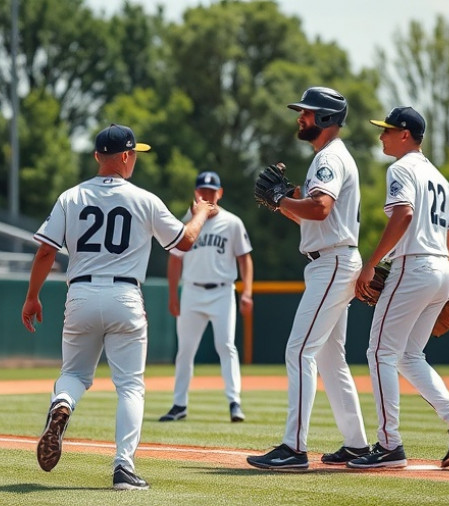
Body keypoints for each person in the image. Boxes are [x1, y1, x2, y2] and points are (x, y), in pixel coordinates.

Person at [21, 123, 214, 490]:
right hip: (125, 296)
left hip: (80, 294)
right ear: (125, 156)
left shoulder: (70, 197)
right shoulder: (145, 199)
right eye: (134, 154)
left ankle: (62, 402)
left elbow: (46, 250)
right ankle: (123, 468)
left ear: (97, 156)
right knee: (130, 386)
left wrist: (32, 296)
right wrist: (201, 213)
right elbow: (185, 242)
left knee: (74, 375)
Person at [349, 106, 449, 470]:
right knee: (409, 356)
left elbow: (404, 214)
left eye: (387, 131)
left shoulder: (401, 168)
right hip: (440, 267)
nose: (382, 136)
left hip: (415, 265)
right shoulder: (439, 177)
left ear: (405, 134)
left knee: (379, 352)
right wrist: (442, 277)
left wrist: (372, 263)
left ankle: (389, 445)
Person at [246, 87, 369, 470]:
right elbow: (313, 216)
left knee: (299, 351)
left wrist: (282, 199)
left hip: (332, 263)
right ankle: (357, 445)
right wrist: (280, 202)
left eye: (308, 112)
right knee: (332, 360)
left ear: (327, 118)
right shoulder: (330, 156)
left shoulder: (328, 157)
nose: (301, 116)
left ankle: (294, 448)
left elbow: (318, 208)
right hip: (332, 258)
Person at [159, 171, 253, 424]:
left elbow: (245, 258)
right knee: (185, 350)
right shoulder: (187, 221)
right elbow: (174, 259)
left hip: (223, 291)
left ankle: (235, 402)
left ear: (220, 193)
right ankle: (179, 404)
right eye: (203, 191)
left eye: (212, 191)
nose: (207, 195)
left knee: (226, 346)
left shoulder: (232, 222)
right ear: (196, 193)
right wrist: (172, 294)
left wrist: (247, 291)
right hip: (191, 291)